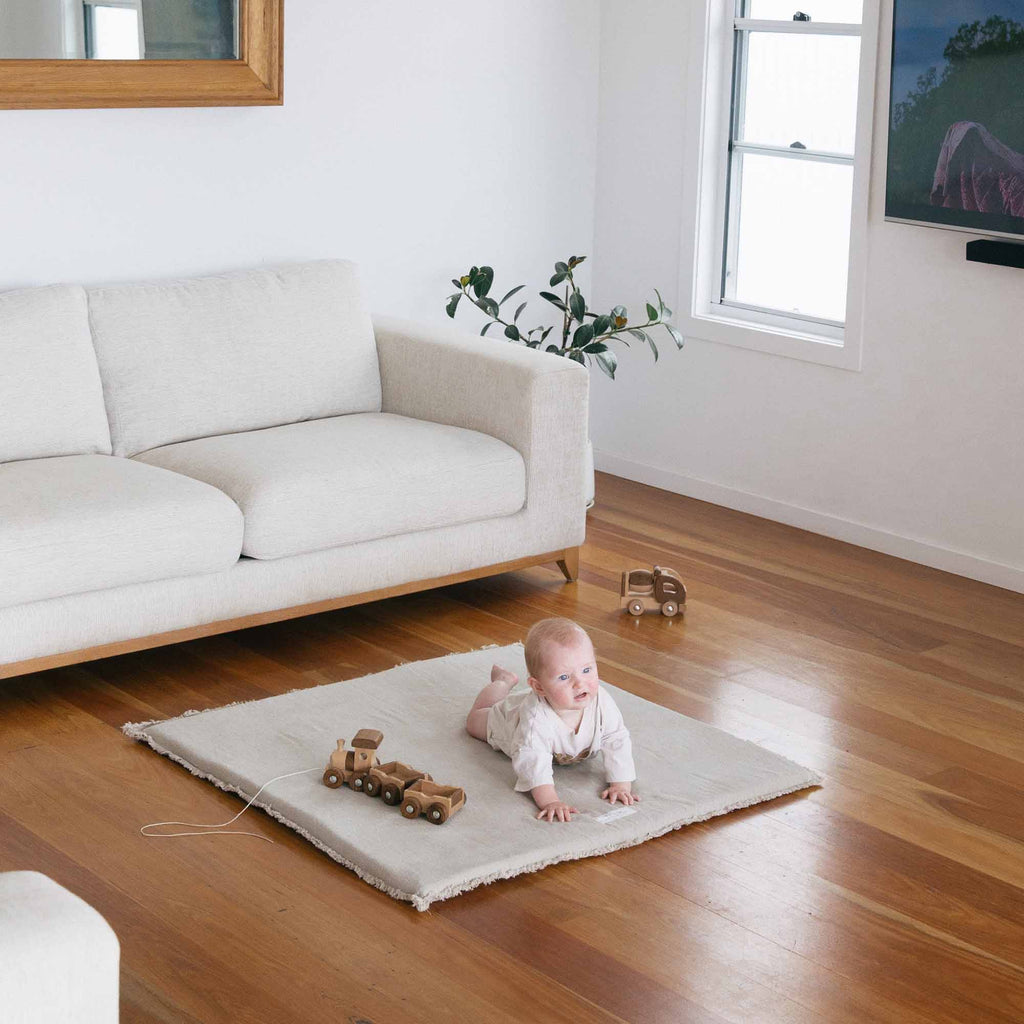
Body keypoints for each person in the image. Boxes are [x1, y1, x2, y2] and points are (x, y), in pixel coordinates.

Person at [466, 617, 639, 822]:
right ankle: (503, 682)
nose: (579, 683)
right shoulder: (534, 719)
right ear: (538, 687)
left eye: (586, 670)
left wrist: (620, 784)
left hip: (542, 699)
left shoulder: (601, 701)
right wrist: (550, 801)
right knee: (474, 721)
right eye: (564, 677)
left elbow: (616, 738)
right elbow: (532, 760)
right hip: (508, 722)